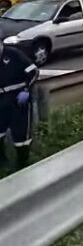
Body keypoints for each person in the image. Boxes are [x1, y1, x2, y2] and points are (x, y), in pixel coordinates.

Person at [0, 32, 39, 169]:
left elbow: (33, 72)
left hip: (18, 100)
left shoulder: (14, 55)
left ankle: (23, 164)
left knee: (21, 135)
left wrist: (26, 90)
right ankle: (2, 161)